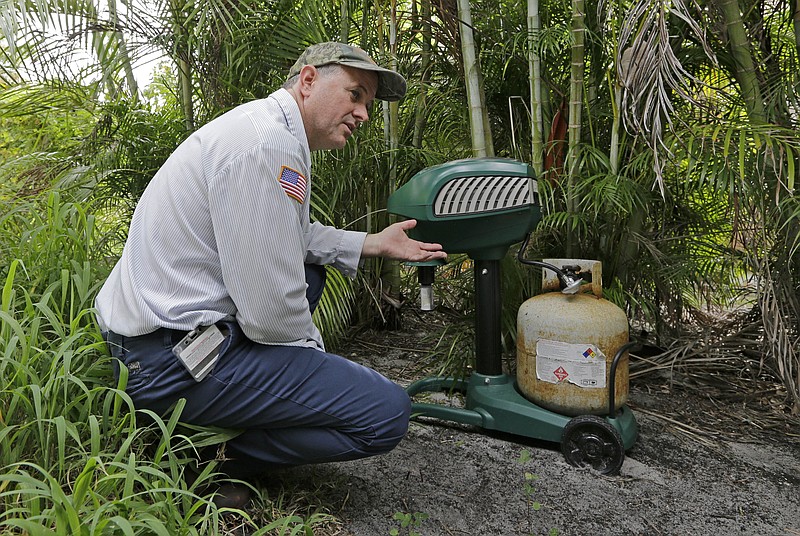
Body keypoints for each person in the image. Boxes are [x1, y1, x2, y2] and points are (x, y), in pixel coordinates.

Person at [96, 42, 447, 508]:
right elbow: (269, 314)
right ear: (307, 81)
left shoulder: (266, 128)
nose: (362, 113)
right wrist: (312, 361)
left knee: (311, 274)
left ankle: (220, 425)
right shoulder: (269, 144)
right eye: (355, 94)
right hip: (165, 363)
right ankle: (206, 456)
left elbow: (293, 234)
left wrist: (373, 243)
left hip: (153, 342)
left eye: (366, 102)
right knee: (386, 415)